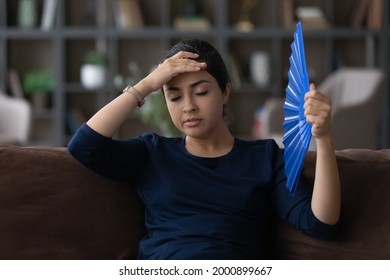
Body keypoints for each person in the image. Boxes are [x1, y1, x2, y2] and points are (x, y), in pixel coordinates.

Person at [68, 39, 340, 260]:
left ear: (225, 92)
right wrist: (146, 85)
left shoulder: (265, 157)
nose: (188, 106)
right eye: (174, 96)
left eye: (200, 92)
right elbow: (84, 146)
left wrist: (324, 137)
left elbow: (320, 223)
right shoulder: (152, 153)